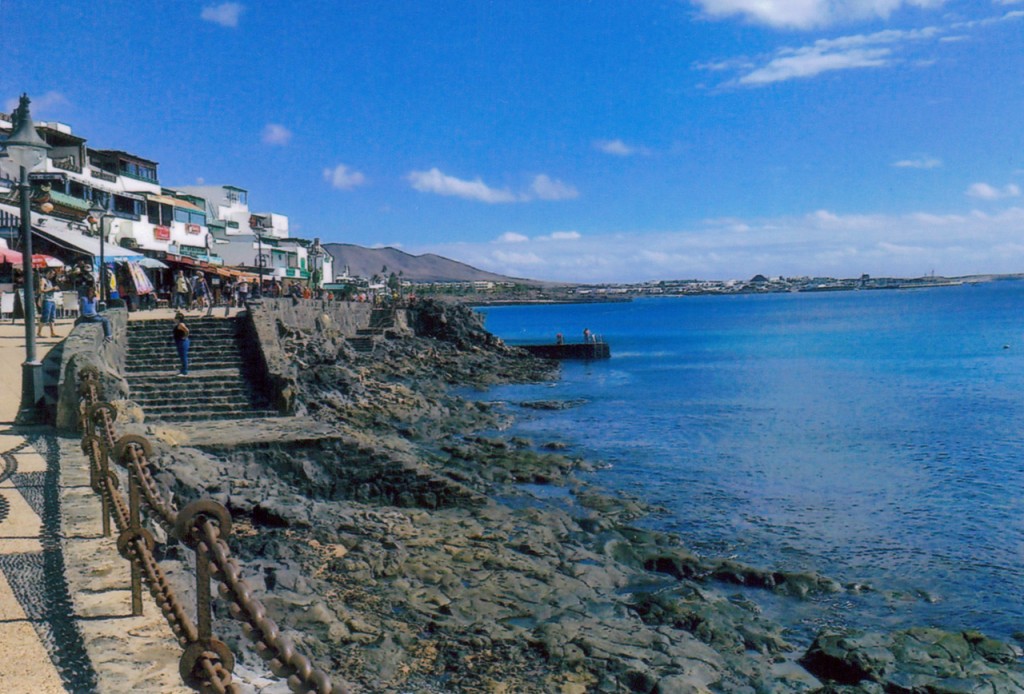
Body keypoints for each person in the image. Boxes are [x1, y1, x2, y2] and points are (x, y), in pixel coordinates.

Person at [37, 270, 58, 338]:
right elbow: (41, 290)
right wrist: (52, 289)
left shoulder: (50, 281)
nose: (52, 275)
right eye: (51, 273)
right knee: (45, 317)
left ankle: (53, 332)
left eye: (53, 274)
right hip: (46, 300)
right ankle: (39, 332)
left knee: (52, 317)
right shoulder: (43, 280)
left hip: (52, 299)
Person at [173, 311, 190, 376]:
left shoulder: (181, 324)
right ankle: (183, 370)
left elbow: (187, 330)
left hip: (182, 341)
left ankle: (184, 371)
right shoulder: (179, 324)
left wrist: (185, 337)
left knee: (183, 356)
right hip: (180, 341)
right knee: (182, 356)